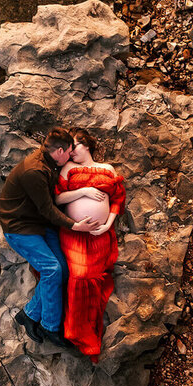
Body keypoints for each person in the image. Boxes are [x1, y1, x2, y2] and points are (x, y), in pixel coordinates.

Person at [0, 127, 96, 351]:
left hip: (40, 225)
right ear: (60, 151)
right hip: (20, 227)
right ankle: (50, 327)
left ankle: (30, 314)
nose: (71, 155)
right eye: (69, 152)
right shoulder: (34, 171)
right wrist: (76, 226)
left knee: (63, 269)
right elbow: (47, 209)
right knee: (52, 269)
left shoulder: (51, 161)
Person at [54, 128, 126, 362]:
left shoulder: (108, 169)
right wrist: (84, 191)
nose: (70, 152)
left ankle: (91, 333)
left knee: (94, 281)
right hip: (74, 233)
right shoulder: (68, 169)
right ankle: (75, 333)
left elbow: (117, 200)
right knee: (79, 277)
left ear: (86, 145)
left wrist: (108, 225)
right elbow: (58, 198)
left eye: (74, 146)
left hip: (99, 235)